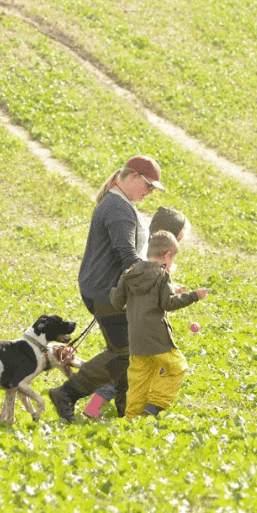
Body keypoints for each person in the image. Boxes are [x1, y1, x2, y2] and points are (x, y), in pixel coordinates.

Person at [48, 155, 164, 422]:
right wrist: (156, 283)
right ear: (133, 176)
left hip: (107, 290)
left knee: (129, 352)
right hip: (106, 292)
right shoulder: (117, 208)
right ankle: (67, 393)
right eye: (148, 186)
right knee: (124, 353)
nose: (148, 192)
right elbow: (127, 254)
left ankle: (126, 410)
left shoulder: (119, 204)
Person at [82, 206, 192, 419]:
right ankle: (146, 409)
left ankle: (100, 405)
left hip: (136, 319)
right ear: (175, 237)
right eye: (181, 237)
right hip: (143, 324)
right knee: (147, 364)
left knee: (132, 363)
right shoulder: (152, 260)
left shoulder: (147, 252)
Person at [109, 230, 209, 419]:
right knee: (177, 366)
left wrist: (130, 306)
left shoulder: (130, 273)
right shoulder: (162, 275)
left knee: (140, 378)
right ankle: (155, 406)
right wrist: (194, 295)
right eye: (172, 259)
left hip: (136, 338)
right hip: (157, 339)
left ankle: (131, 418)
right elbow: (168, 304)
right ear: (168, 255)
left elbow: (116, 301)